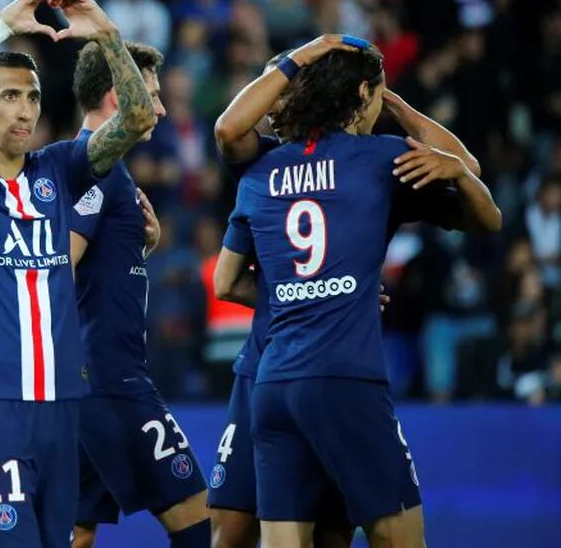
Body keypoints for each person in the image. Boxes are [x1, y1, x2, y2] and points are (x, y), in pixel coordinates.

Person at [214, 40, 500, 548]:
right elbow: (481, 202)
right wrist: (402, 110)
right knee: (401, 540)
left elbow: (227, 281)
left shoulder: (259, 171)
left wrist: (304, 294)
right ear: (364, 92)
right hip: (344, 377)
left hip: (272, 380)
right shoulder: (380, 159)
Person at [0, 0, 156, 547]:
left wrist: (110, 37)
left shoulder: (60, 168)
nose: (26, 110)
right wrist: (0, 24)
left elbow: (138, 116)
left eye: (33, 96)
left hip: (61, 403)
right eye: (10, 96)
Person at [69, 40, 211, 548]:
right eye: (150, 94)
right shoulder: (98, 170)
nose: (161, 108)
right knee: (197, 520)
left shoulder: (98, 170)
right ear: (117, 95)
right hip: (112, 379)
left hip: (86, 376)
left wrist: (135, 249)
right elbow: (54, 266)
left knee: (78, 531)